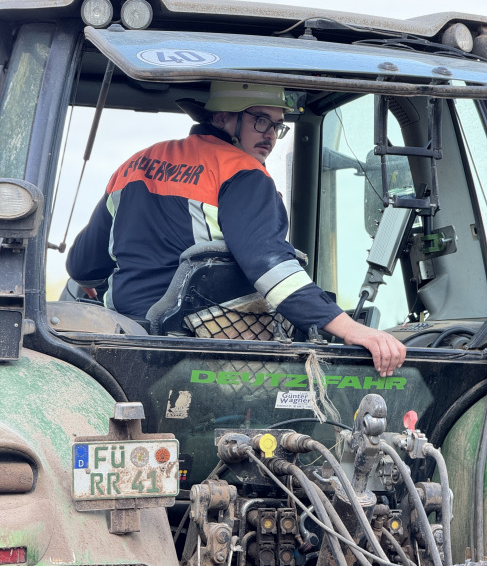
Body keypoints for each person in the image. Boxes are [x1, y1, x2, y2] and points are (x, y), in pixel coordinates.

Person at [67, 81, 405, 377]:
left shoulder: (133, 166)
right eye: (260, 120)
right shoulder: (242, 172)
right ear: (221, 117)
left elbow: (82, 267)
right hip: (203, 353)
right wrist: (350, 329)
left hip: (124, 343)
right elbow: (272, 268)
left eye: (277, 125)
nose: (270, 134)